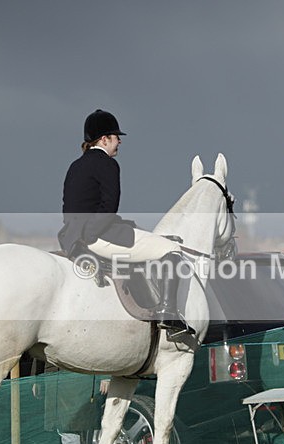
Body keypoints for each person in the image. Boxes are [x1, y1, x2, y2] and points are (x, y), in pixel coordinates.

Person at [58, 109, 193, 339]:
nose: (119, 141)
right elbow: (109, 208)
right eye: (115, 137)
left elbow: (67, 206)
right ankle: (168, 313)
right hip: (98, 236)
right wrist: (90, 235)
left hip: (71, 238)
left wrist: (79, 238)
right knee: (172, 249)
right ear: (104, 139)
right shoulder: (108, 164)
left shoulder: (75, 165)